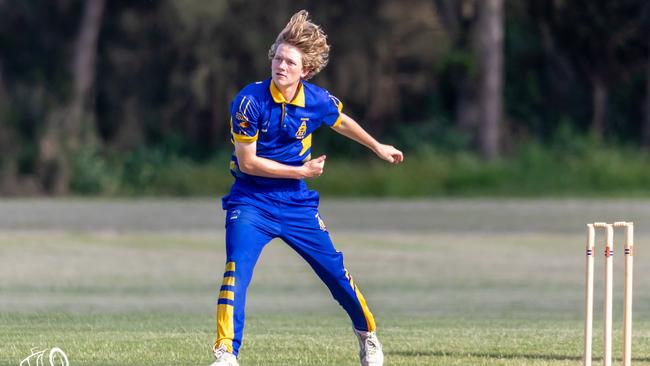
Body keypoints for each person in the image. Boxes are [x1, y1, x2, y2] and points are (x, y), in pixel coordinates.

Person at [210, 10, 403, 366]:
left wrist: (377, 146)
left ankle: (368, 335)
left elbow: (340, 120)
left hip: (297, 205)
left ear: (306, 71)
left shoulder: (315, 99)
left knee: (335, 273)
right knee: (235, 268)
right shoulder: (249, 102)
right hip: (251, 202)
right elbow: (249, 162)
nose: (280, 66)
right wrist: (300, 169)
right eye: (278, 58)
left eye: (290, 62)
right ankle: (225, 353)